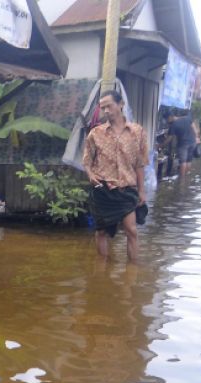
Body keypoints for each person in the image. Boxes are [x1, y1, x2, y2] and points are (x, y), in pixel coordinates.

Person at [83, 90, 148, 262]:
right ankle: (101, 268)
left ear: (120, 104)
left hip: (127, 189)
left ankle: (132, 271)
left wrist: (142, 191)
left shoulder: (138, 132)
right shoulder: (95, 134)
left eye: (108, 106)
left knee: (131, 230)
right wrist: (90, 175)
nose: (105, 111)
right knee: (102, 231)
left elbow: (140, 164)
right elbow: (87, 161)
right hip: (102, 189)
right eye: (102, 108)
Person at [166, 110, 200, 176]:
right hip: (193, 143)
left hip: (183, 144)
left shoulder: (173, 125)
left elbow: (169, 139)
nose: (166, 121)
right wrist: (196, 138)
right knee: (189, 160)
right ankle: (187, 176)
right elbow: (195, 130)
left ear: (170, 117)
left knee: (182, 161)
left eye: (166, 119)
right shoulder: (187, 118)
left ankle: (182, 179)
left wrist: (160, 145)